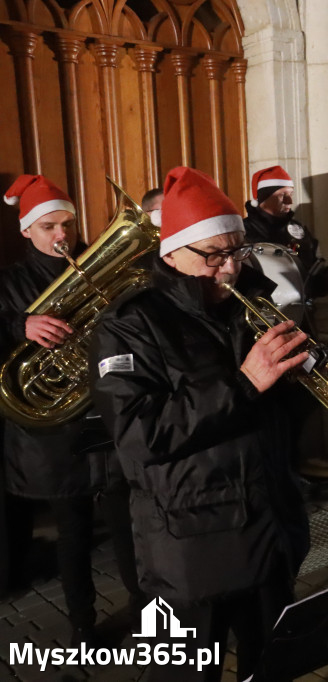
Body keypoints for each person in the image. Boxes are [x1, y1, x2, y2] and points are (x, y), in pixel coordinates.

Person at [90, 166, 311, 681]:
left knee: (272, 667)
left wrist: (295, 381)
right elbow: (140, 436)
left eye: (238, 251)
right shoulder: (130, 323)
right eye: (213, 255)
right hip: (192, 550)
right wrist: (245, 383)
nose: (229, 269)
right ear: (172, 252)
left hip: (268, 527)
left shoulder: (251, 300)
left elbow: (272, 418)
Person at [1, 174, 143, 643]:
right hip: (56, 430)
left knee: (128, 524)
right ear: (26, 230)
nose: (62, 235)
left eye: (68, 224)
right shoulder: (10, 283)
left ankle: (145, 616)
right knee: (73, 530)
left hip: (106, 414)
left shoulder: (99, 266)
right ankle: (83, 623)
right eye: (49, 227)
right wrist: (21, 326)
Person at [243, 165, 328, 324]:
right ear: (263, 197)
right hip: (259, 317)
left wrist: (315, 282)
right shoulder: (244, 231)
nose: (289, 201)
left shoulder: (299, 231)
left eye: (290, 194)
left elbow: (321, 274)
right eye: (282, 195)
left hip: (301, 316)